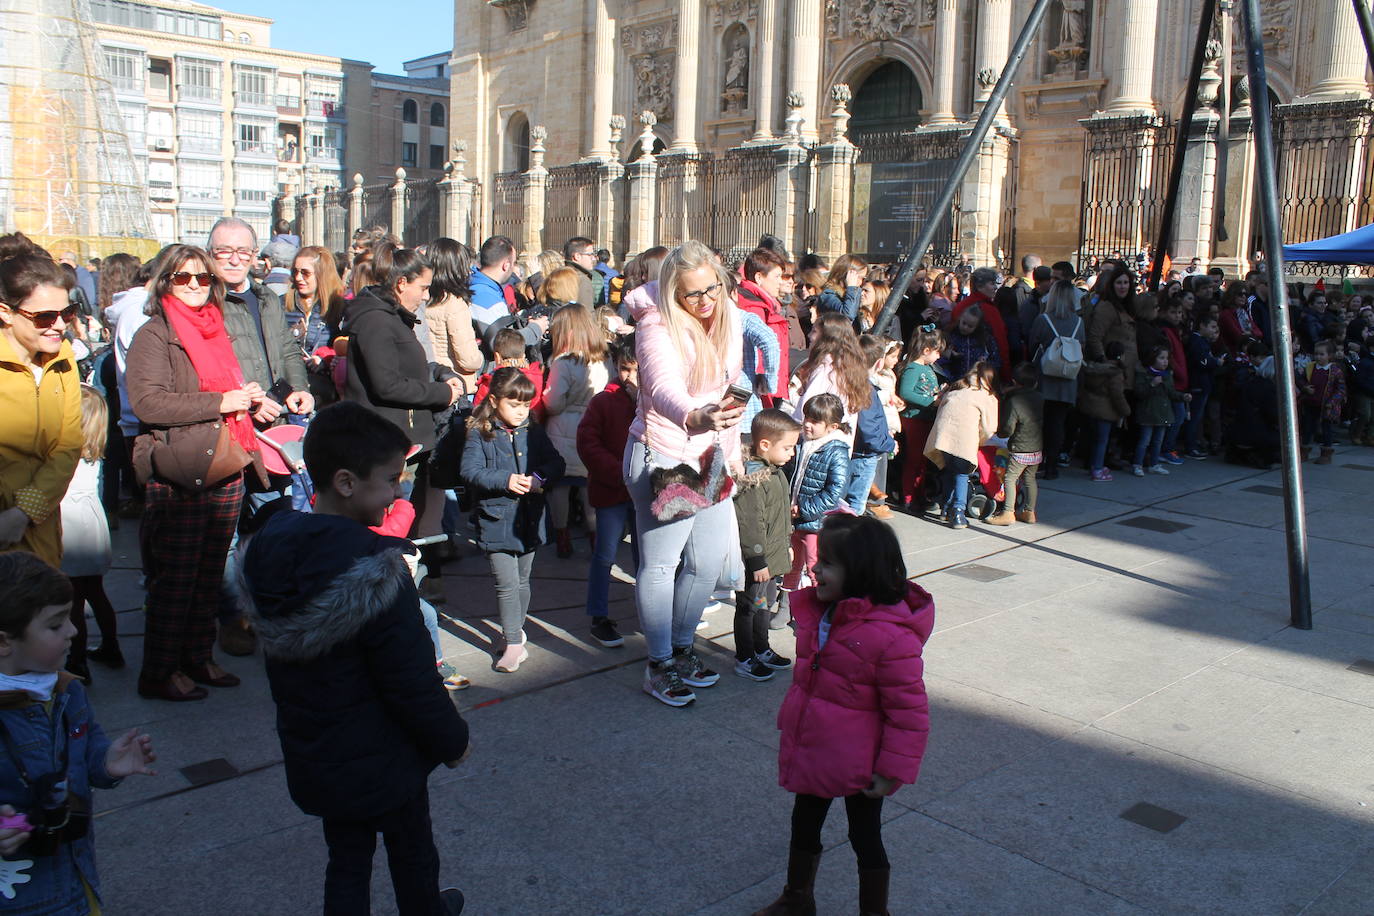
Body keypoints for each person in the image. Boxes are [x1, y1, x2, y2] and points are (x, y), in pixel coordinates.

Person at [237, 402, 470, 916]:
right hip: (387, 758)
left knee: (346, 861)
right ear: (345, 482)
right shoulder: (375, 569)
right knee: (412, 852)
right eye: (389, 480)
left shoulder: (273, 550)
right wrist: (452, 739)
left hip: (320, 754)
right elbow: (411, 680)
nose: (396, 492)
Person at [753, 514, 932, 916]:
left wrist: (891, 769)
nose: (816, 567)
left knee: (864, 835)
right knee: (804, 822)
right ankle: (797, 897)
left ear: (862, 572)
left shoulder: (890, 637)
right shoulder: (823, 613)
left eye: (829, 562)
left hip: (862, 763)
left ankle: (874, 911)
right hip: (818, 748)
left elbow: (909, 712)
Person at [126, 244, 263, 702]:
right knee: (177, 578)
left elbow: (221, 389)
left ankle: (198, 658)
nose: (193, 287)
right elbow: (148, 403)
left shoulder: (214, 328)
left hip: (225, 460)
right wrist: (220, 403)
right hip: (182, 469)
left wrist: (247, 397)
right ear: (164, 282)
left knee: (208, 576)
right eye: (182, 278)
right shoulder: (154, 333)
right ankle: (160, 671)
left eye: (203, 279)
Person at [621, 240, 745, 708]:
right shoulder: (655, 325)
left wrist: (729, 448)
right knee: (661, 564)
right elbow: (664, 386)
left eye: (711, 289)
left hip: (711, 456)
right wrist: (695, 416)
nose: (705, 302)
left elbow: (732, 389)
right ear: (673, 292)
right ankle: (658, 664)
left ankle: (681, 648)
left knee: (707, 562)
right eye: (692, 295)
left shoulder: (727, 314)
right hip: (668, 455)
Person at [0, 552, 158, 916]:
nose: (72, 629)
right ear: (5, 642)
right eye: (55, 625)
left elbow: (87, 748)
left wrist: (105, 760)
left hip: (75, 877)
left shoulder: (68, 689)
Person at [460, 368, 564, 673]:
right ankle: (514, 642)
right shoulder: (479, 432)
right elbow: (470, 471)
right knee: (505, 584)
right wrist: (505, 479)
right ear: (494, 400)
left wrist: (539, 478)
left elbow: (556, 463)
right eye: (514, 404)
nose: (521, 411)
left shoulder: (534, 430)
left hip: (529, 519)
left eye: (525, 405)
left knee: (521, 580)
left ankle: (515, 631)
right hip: (496, 520)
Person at [0, 249, 83, 567]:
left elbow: (68, 447)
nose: (59, 325)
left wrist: (25, 511)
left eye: (68, 312)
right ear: (6, 313)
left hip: (40, 531)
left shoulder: (64, 360)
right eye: (45, 317)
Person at [577, 334, 638, 648]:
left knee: (646, 558)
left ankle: (650, 611)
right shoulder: (603, 400)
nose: (630, 377)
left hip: (643, 492)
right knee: (605, 556)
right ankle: (598, 616)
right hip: (612, 489)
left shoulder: (653, 400)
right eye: (625, 368)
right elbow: (587, 442)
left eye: (637, 370)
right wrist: (617, 472)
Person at [732, 408, 801, 682]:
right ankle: (744, 656)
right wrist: (757, 559)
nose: (792, 453)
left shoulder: (776, 472)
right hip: (758, 561)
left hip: (772, 558)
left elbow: (779, 516)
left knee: (764, 603)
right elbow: (750, 523)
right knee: (749, 606)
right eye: (788, 447)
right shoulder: (754, 478)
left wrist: (786, 544)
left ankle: (761, 647)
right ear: (764, 445)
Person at [59, 386, 120, 683]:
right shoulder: (93, 449)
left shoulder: (66, 452)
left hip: (70, 524)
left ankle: (77, 660)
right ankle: (111, 646)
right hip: (92, 522)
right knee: (95, 592)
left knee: (73, 600)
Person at [543, 304, 609, 558]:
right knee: (589, 490)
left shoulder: (563, 363)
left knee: (559, 489)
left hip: (562, 432)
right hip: (593, 429)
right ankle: (595, 540)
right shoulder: (603, 357)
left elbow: (553, 402)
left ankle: (563, 539)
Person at [782, 393, 851, 589]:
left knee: (814, 567)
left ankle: (818, 607)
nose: (807, 424)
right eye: (806, 418)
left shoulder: (836, 451)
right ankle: (787, 607)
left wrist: (803, 509)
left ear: (832, 427)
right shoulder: (800, 442)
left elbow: (834, 492)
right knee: (791, 564)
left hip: (815, 522)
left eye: (815, 421)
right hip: (794, 518)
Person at [925, 362, 999, 529]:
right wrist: (980, 441)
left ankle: (946, 509)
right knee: (962, 474)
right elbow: (989, 429)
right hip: (964, 440)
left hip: (943, 439)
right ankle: (958, 512)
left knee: (949, 471)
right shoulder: (987, 397)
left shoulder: (956, 390)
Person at [1026, 281, 1084, 480]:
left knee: (1041, 422)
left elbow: (1033, 344)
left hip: (1045, 376)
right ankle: (1052, 464)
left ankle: (1037, 462)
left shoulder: (1043, 319)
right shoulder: (1079, 322)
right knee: (1058, 423)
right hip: (1068, 378)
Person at [789, 311, 872, 444]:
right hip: (840, 441)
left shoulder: (826, 368)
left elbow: (806, 408)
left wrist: (791, 431)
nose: (809, 336)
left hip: (818, 442)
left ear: (827, 338)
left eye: (815, 331)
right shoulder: (850, 368)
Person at [286, 246, 346, 408]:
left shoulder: (339, 307)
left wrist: (325, 358)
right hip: (292, 387)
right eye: (294, 272)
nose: (298, 278)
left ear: (321, 274)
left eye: (305, 273)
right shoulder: (281, 304)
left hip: (325, 391)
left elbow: (346, 345)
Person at [845, 336, 897, 516]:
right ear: (879, 363)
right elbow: (869, 430)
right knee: (855, 505)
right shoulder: (865, 389)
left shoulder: (848, 381)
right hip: (863, 455)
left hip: (851, 451)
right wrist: (889, 443)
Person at [424, 238, 483, 395]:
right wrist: (481, 357)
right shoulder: (454, 303)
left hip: (432, 378)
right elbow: (469, 360)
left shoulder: (424, 297)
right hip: (458, 382)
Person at [988, 362, 1044, 526]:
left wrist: (1000, 434)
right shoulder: (1040, 398)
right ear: (1035, 382)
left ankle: (1008, 513)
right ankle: (1029, 512)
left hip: (1020, 448)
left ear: (1014, 382)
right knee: (1030, 479)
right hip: (1036, 447)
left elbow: (1008, 428)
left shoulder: (1015, 401)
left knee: (1010, 478)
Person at [897, 325, 946, 510]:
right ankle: (909, 497)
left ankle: (918, 493)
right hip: (915, 418)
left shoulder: (926, 368)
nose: (939, 356)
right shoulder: (913, 368)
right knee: (914, 459)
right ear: (926, 351)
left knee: (922, 459)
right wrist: (930, 401)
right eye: (937, 352)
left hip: (925, 418)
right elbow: (906, 392)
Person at [736, 247, 792, 404]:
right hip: (760, 391)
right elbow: (759, 354)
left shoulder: (760, 303)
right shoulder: (753, 308)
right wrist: (769, 386)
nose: (781, 282)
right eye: (777, 276)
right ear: (759, 277)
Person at [1079, 341, 1132, 481]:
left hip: (1090, 407)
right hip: (1105, 410)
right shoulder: (1115, 373)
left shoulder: (1095, 369)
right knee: (1102, 441)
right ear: (1121, 356)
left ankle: (1092, 465)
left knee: (1093, 439)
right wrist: (1125, 411)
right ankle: (1097, 469)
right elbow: (1117, 394)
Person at [1133, 345, 1188, 476]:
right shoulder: (1144, 373)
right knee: (1144, 441)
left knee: (1158, 441)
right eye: (1161, 358)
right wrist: (1151, 384)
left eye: (1167, 358)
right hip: (1148, 414)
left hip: (1163, 414)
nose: (1165, 361)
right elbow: (1139, 393)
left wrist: (1183, 396)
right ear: (1153, 359)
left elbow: (1171, 393)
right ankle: (1138, 464)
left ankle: (1154, 464)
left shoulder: (1167, 375)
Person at [951, 267, 1012, 382]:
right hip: (979, 374)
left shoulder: (961, 305)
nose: (995, 287)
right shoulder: (989, 309)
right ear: (979, 286)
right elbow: (1001, 342)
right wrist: (1006, 375)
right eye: (992, 283)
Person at [1085, 264, 1139, 382]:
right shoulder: (1106, 307)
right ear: (1112, 285)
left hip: (1127, 369)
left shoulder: (1127, 307)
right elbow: (1094, 337)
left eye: (1126, 283)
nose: (1123, 286)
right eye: (1119, 283)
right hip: (1113, 373)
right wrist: (1105, 363)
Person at [1300, 339, 1347, 464]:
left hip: (1327, 406)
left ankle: (1326, 454)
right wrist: (1305, 388)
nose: (1318, 357)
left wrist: (1332, 401)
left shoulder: (1335, 370)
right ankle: (1304, 451)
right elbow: (1303, 381)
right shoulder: (1310, 367)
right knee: (1308, 428)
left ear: (1329, 356)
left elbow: (1341, 390)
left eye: (1322, 354)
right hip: (1311, 403)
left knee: (1327, 430)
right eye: (1316, 354)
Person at [1183, 314, 1224, 458]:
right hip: (1198, 383)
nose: (1214, 330)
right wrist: (1215, 362)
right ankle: (1191, 446)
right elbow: (1202, 361)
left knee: (1197, 416)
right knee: (1194, 417)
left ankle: (1194, 443)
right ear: (1202, 326)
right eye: (1212, 327)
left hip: (1203, 383)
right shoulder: (1197, 342)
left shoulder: (1203, 342)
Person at [938, 302, 1000, 380]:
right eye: (964, 323)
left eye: (970, 326)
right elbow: (938, 362)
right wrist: (949, 356)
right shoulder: (951, 335)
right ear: (960, 319)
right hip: (955, 381)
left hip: (977, 382)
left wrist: (985, 364)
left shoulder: (985, 339)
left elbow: (996, 362)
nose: (965, 327)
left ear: (977, 326)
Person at [814, 255, 866, 323]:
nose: (861, 282)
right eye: (859, 277)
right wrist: (852, 288)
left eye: (863, 278)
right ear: (846, 275)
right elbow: (847, 316)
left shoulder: (852, 295)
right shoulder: (828, 295)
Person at [563, 236, 606, 307]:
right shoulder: (582, 279)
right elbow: (587, 312)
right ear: (577, 256)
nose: (593, 258)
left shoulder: (557, 275)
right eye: (590, 254)